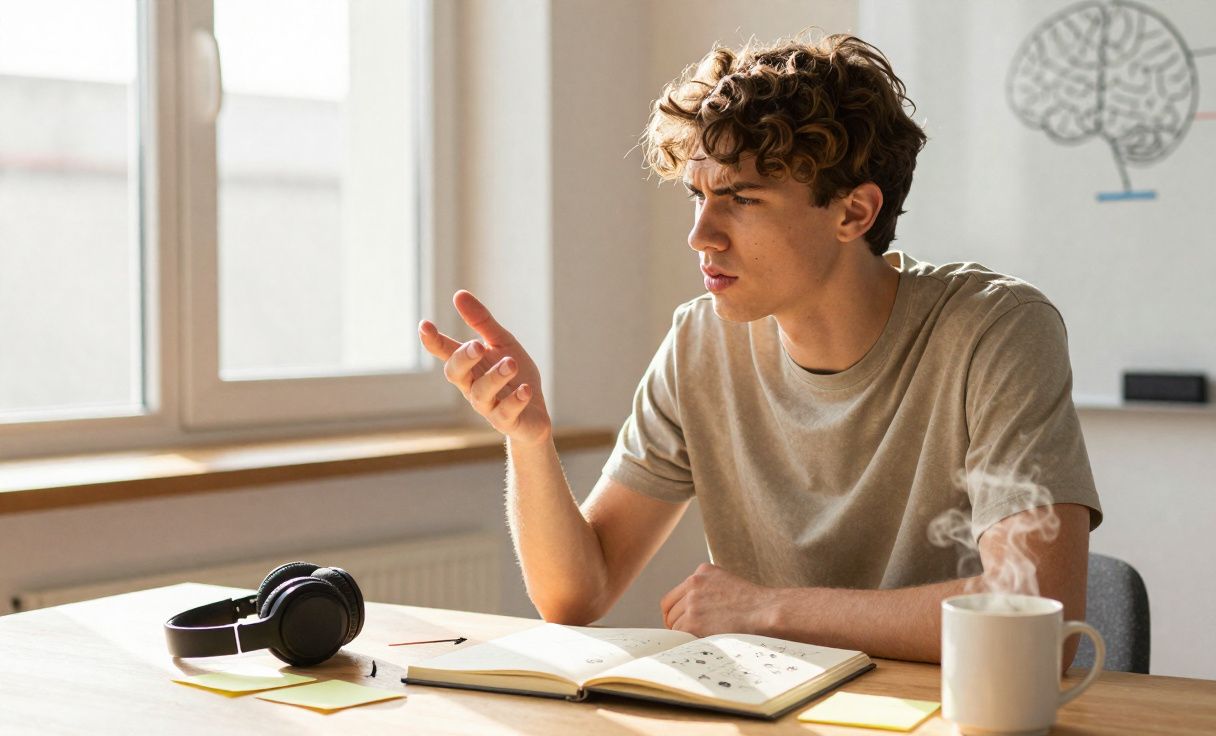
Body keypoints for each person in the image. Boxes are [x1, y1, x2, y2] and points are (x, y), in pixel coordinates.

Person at [418, 32, 1101, 668]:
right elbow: (575, 594)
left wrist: (767, 609)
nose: (700, 235)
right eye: (697, 196)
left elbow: (1035, 617)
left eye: (740, 199)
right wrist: (528, 439)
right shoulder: (699, 343)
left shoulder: (994, 331)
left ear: (853, 213)